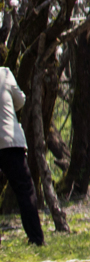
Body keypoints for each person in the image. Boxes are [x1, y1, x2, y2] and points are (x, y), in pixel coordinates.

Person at [0, 60, 44, 246]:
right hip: (10, 140)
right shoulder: (4, 73)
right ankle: (35, 238)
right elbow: (21, 100)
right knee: (25, 190)